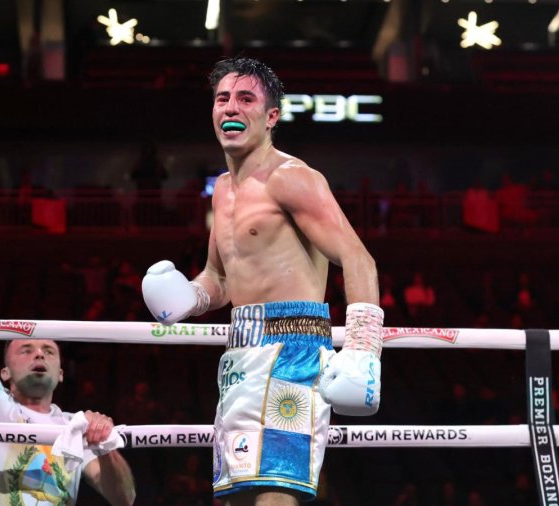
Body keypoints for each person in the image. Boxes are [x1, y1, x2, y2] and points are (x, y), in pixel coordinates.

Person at [142, 58, 382, 505]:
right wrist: (190, 296)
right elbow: (219, 277)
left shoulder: (292, 178)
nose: (231, 107)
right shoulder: (223, 189)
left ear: (271, 116)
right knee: (234, 496)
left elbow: (358, 258)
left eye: (246, 98)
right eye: (223, 98)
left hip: (293, 349)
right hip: (240, 352)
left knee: (276, 492)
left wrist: (364, 350)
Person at [0, 197, 136, 506]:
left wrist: (105, 443)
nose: (39, 355)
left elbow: (124, 497)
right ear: (4, 372)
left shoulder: (74, 426)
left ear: (61, 373)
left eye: (48, 351)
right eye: (26, 350)